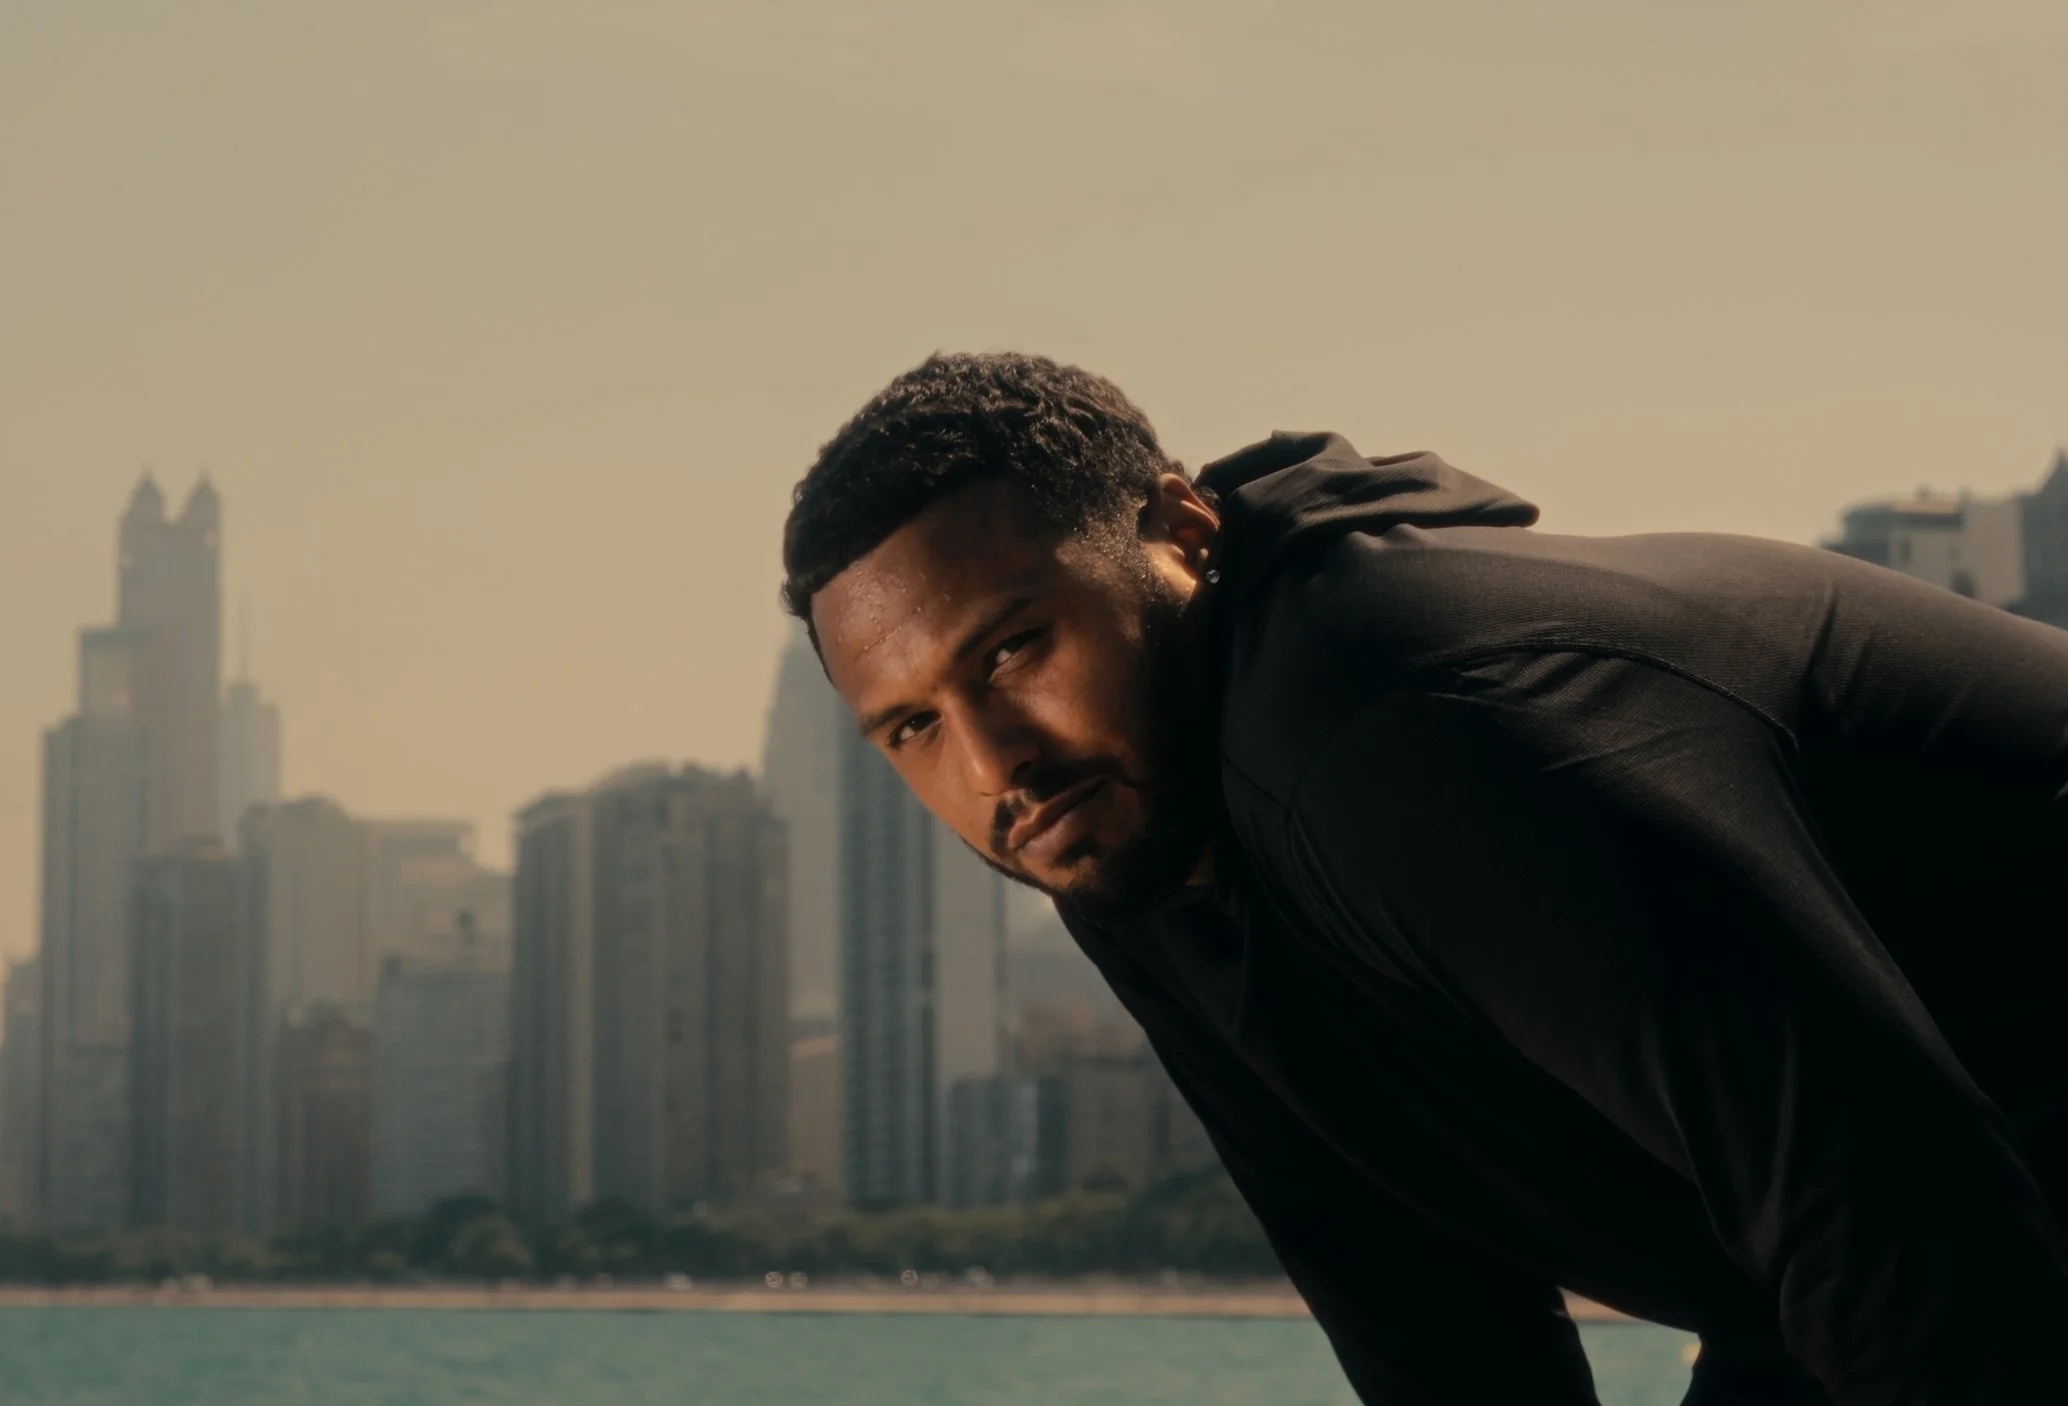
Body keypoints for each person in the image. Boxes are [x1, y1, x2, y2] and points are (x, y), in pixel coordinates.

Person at [779, 352, 2068, 1405]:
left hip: (1965, 1223)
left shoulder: (1402, 727)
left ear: (1177, 531)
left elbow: (1896, 1205)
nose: (994, 760)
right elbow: (1422, 1320)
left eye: (1011, 652)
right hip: (1892, 1259)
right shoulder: (1133, 835)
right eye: (913, 727)